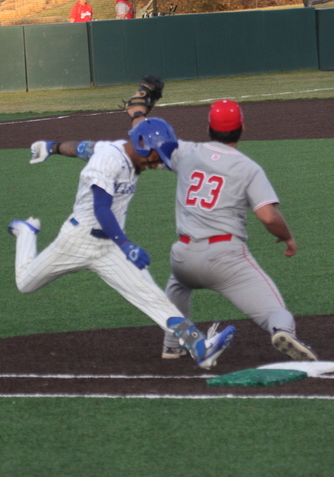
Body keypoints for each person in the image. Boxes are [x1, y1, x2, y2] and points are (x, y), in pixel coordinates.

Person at [30, 82, 318, 363]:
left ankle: (172, 345)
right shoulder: (248, 168)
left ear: (208, 128)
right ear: (242, 128)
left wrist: (139, 109)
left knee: (177, 286)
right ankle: (283, 330)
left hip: (184, 258)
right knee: (274, 310)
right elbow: (268, 216)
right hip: (226, 259)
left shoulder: (187, 152)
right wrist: (288, 237)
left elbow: (143, 140)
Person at [10, 118, 236, 369]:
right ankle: (26, 233)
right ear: (141, 145)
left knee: (152, 297)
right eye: (156, 155)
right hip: (76, 240)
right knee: (25, 284)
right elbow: (101, 209)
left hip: (110, 249)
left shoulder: (126, 152)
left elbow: (81, 148)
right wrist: (127, 244)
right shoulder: (109, 160)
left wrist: (51, 146)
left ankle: (199, 346)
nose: (158, 162)